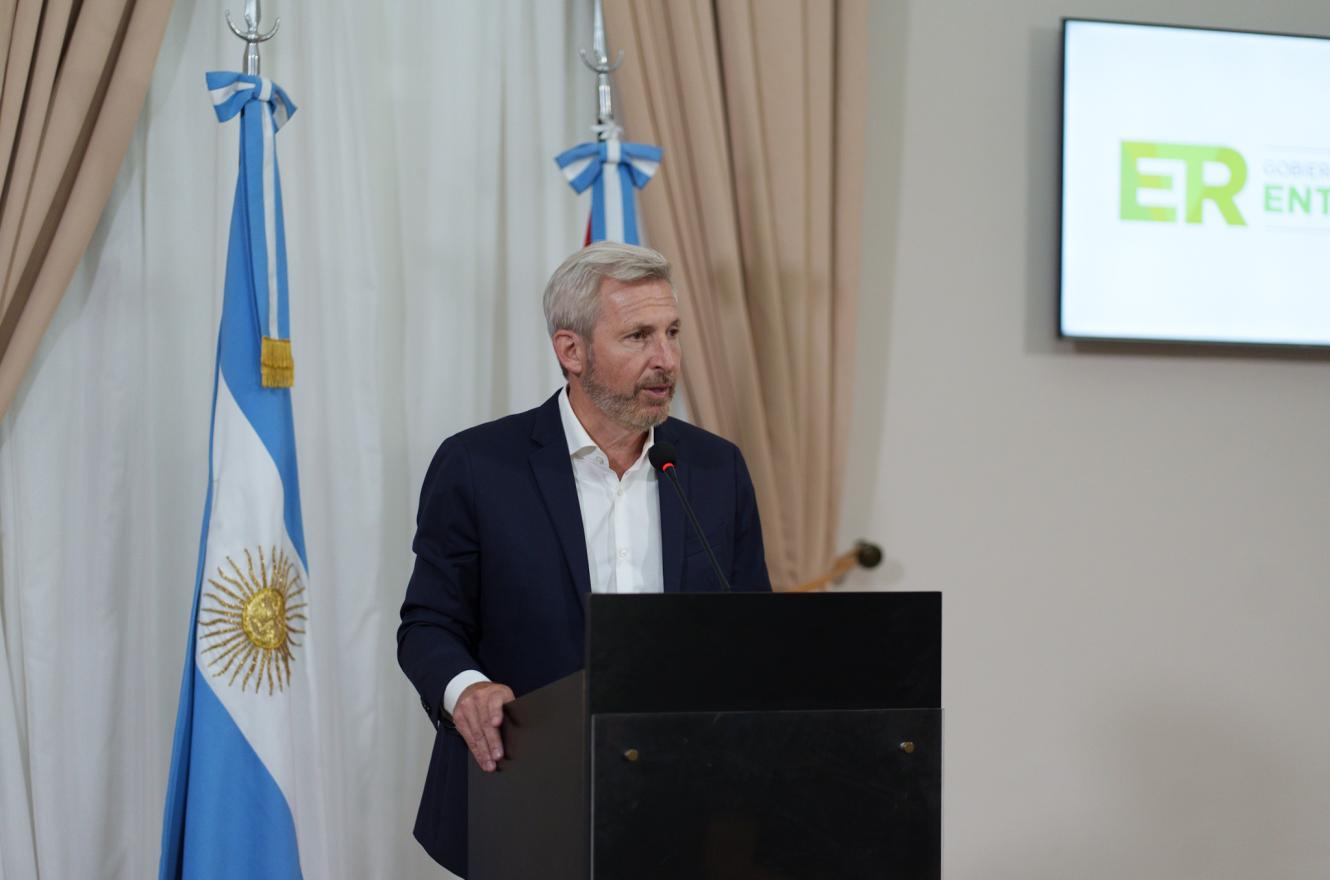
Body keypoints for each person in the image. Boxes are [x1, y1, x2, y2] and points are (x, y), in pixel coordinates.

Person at [397, 242, 772, 875]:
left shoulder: (715, 469)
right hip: (524, 794)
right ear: (571, 351)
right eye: (639, 336)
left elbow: (753, 631)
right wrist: (468, 690)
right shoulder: (479, 466)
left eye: (673, 332)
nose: (666, 359)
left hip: (684, 802)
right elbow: (428, 624)